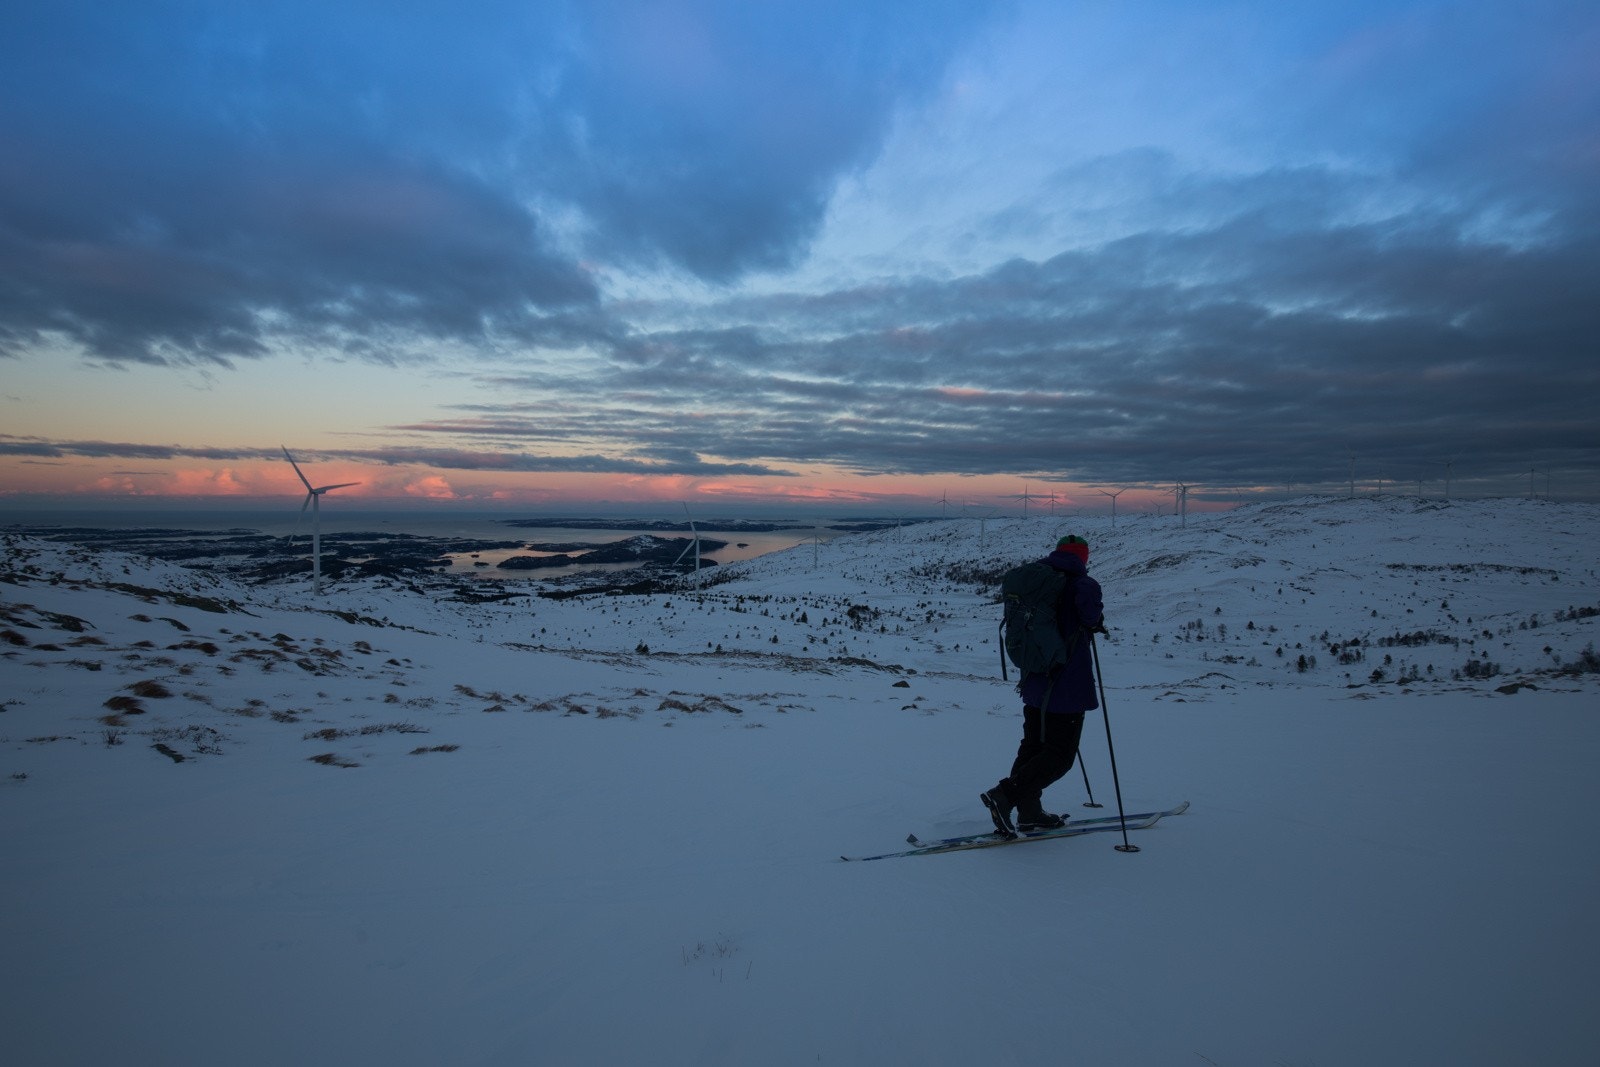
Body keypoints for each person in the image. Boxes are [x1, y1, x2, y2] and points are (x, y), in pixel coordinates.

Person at [981, 534, 1105, 835]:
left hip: (1034, 681)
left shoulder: (1037, 581)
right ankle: (1005, 796)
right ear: (1082, 557)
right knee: (1060, 755)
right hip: (1067, 685)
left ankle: (1029, 812)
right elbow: (1091, 618)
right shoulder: (1082, 585)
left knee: (1033, 747)